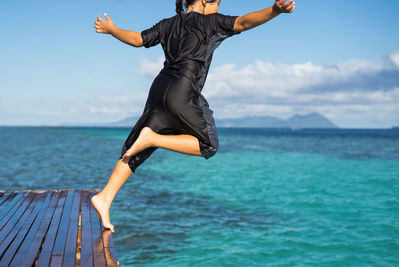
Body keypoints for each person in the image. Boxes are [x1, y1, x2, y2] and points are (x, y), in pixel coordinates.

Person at [91, 0, 295, 232]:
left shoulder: (168, 24)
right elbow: (244, 22)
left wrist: (111, 30)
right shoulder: (211, 22)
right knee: (208, 145)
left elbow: (138, 39)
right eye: (218, 2)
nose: (219, 7)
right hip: (183, 89)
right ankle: (153, 138)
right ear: (206, 1)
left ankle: (105, 197)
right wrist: (275, 10)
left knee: (134, 149)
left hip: (159, 88)